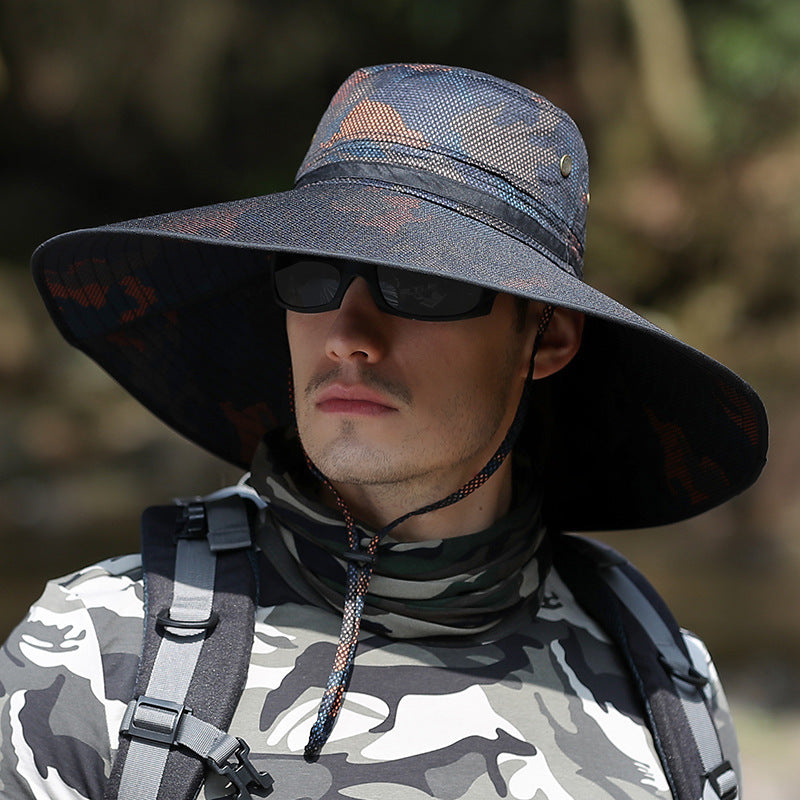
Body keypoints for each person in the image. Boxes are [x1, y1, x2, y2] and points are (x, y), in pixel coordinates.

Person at [0, 63, 766, 800]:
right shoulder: (101, 653)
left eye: (423, 282)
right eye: (311, 274)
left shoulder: (665, 687)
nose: (348, 336)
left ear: (548, 337)